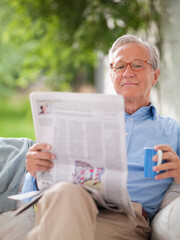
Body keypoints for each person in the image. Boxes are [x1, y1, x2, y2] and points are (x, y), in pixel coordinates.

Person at [24, 35, 180, 240]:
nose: (127, 72)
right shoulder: (79, 119)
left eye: (137, 65)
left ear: (155, 75)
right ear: (111, 75)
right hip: (70, 201)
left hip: (126, 218)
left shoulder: (173, 130)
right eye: (120, 66)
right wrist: (35, 173)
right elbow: (30, 196)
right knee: (65, 193)